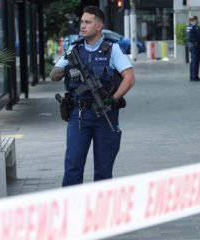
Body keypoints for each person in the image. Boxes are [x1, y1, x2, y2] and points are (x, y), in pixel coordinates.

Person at [49, 6, 135, 186]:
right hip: (78, 115)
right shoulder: (75, 49)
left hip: (105, 114)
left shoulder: (112, 49)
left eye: (87, 22)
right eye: (82, 22)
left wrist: (113, 98)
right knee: (73, 166)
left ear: (99, 26)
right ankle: (72, 209)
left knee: (103, 169)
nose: (82, 26)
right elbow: (53, 74)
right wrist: (67, 69)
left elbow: (129, 78)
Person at [186, 16, 200, 81]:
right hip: (195, 45)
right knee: (196, 61)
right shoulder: (195, 27)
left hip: (190, 45)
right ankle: (195, 76)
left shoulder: (188, 27)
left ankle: (192, 76)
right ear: (195, 20)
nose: (198, 21)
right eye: (197, 20)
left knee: (192, 61)